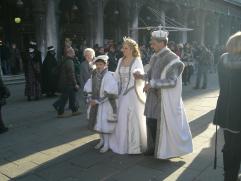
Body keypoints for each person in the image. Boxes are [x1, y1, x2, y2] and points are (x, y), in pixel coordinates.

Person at [134, 30, 193, 159]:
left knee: (157, 124)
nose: (151, 45)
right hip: (152, 97)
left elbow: (172, 81)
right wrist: (141, 76)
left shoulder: (173, 58)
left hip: (163, 99)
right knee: (150, 122)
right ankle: (153, 148)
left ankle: (162, 149)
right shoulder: (154, 56)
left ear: (162, 43)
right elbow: (150, 76)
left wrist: (152, 84)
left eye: (154, 43)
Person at [109, 37, 147, 154]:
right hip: (122, 93)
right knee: (122, 118)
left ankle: (134, 146)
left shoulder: (137, 60)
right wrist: (106, 74)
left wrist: (138, 74)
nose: (122, 50)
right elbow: (116, 76)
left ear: (131, 49)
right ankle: (123, 143)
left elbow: (141, 76)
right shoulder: (120, 60)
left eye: (125, 48)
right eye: (123, 48)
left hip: (133, 92)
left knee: (133, 119)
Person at [213, 31, 241, 181]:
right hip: (238, 111)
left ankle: (229, 175)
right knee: (236, 146)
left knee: (230, 144)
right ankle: (232, 175)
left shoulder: (222, 60)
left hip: (225, 109)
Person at [84, 55, 118, 153]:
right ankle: (101, 140)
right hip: (95, 104)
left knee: (104, 124)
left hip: (105, 104)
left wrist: (98, 101)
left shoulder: (109, 76)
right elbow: (89, 88)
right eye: (97, 64)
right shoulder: (93, 74)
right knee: (97, 123)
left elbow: (110, 93)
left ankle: (107, 143)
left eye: (101, 64)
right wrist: (90, 98)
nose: (99, 66)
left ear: (106, 64)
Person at [53, 47, 80, 117]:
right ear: (69, 53)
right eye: (73, 52)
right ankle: (60, 112)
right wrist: (75, 84)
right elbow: (71, 74)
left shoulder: (65, 60)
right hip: (68, 83)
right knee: (64, 98)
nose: (74, 53)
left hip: (66, 82)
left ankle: (74, 110)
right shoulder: (69, 61)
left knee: (71, 97)